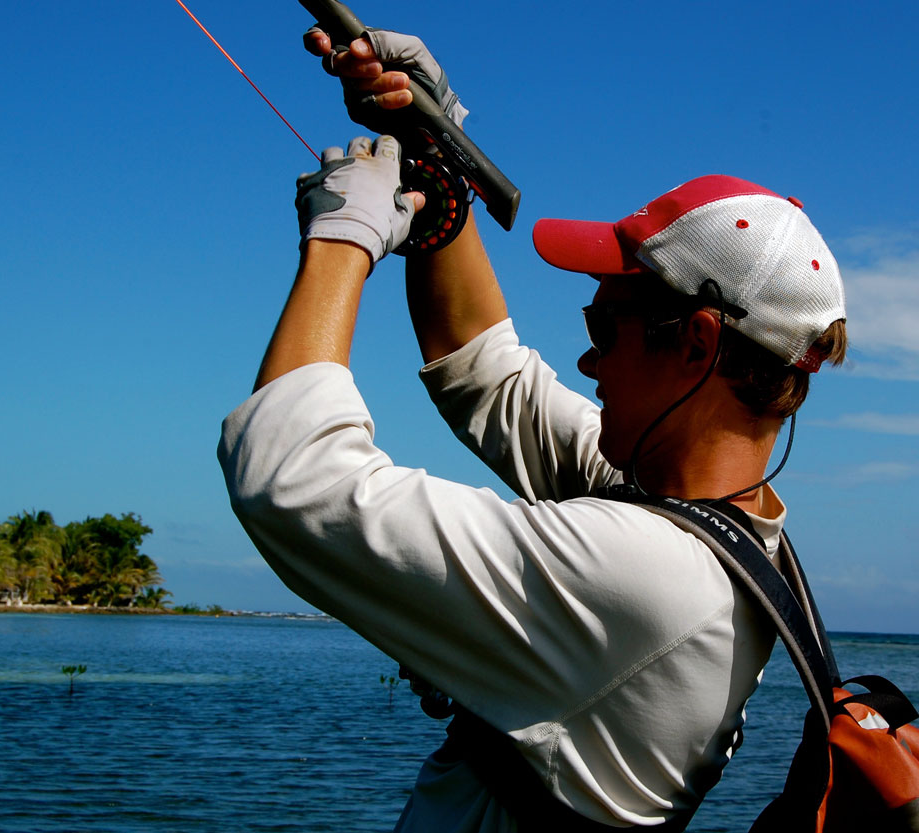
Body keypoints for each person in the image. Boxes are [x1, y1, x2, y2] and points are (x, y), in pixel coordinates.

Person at [217, 27, 848, 832]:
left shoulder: (649, 574)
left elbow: (292, 481)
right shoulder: (720, 530)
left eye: (605, 324)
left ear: (696, 342)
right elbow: (486, 371)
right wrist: (433, 150)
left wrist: (342, 235)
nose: (587, 360)